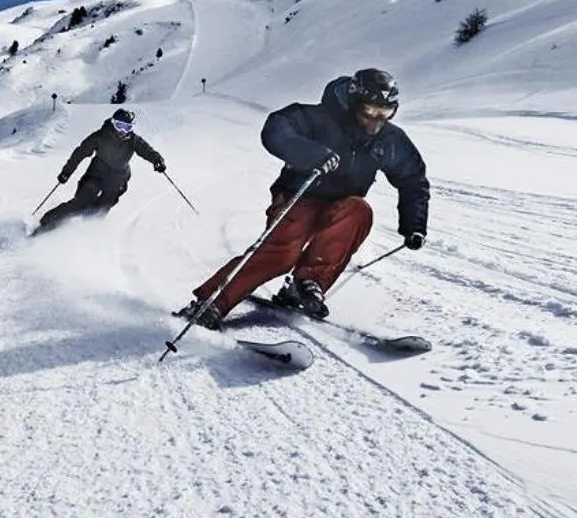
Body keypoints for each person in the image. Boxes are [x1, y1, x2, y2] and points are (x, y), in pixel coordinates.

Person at [179, 68, 428, 328]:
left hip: (342, 206)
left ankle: (307, 284)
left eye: (385, 113)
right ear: (354, 102)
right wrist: (311, 153)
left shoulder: (389, 139)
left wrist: (415, 226)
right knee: (281, 254)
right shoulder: (318, 117)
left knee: (359, 211)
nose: (375, 120)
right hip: (298, 195)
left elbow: (413, 179)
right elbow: (275, 129)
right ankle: (211, 303)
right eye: (369, 111)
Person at [34, 109, 166, 234]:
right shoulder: (100, 136)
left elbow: (147, 151)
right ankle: (47, 222)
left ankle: (85, 233)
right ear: (113, 123)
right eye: (119, 125)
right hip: (95, 175)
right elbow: (80, 153)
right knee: (81, 202)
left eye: (127, 127)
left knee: (101, 210)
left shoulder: (134, 140)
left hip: (117, 180)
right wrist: (66, 172)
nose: (123, 131)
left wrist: (157, 160)